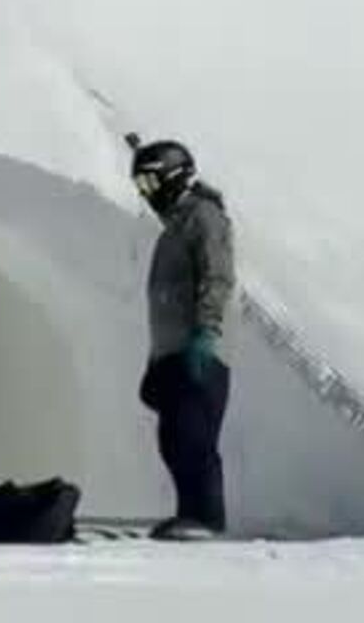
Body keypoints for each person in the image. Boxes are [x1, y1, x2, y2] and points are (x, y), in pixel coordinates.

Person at [130, 138, 236, 541]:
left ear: (172, 176)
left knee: (194, 437)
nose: (146, 194)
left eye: (149, 183)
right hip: (173, 353)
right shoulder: (175, 226)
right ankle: (189, 514)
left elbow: (217, 275)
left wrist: (207, 332)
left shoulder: (204, 217)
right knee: (173, 439)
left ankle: (206, 518)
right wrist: (156, 361)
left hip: (200, 349)